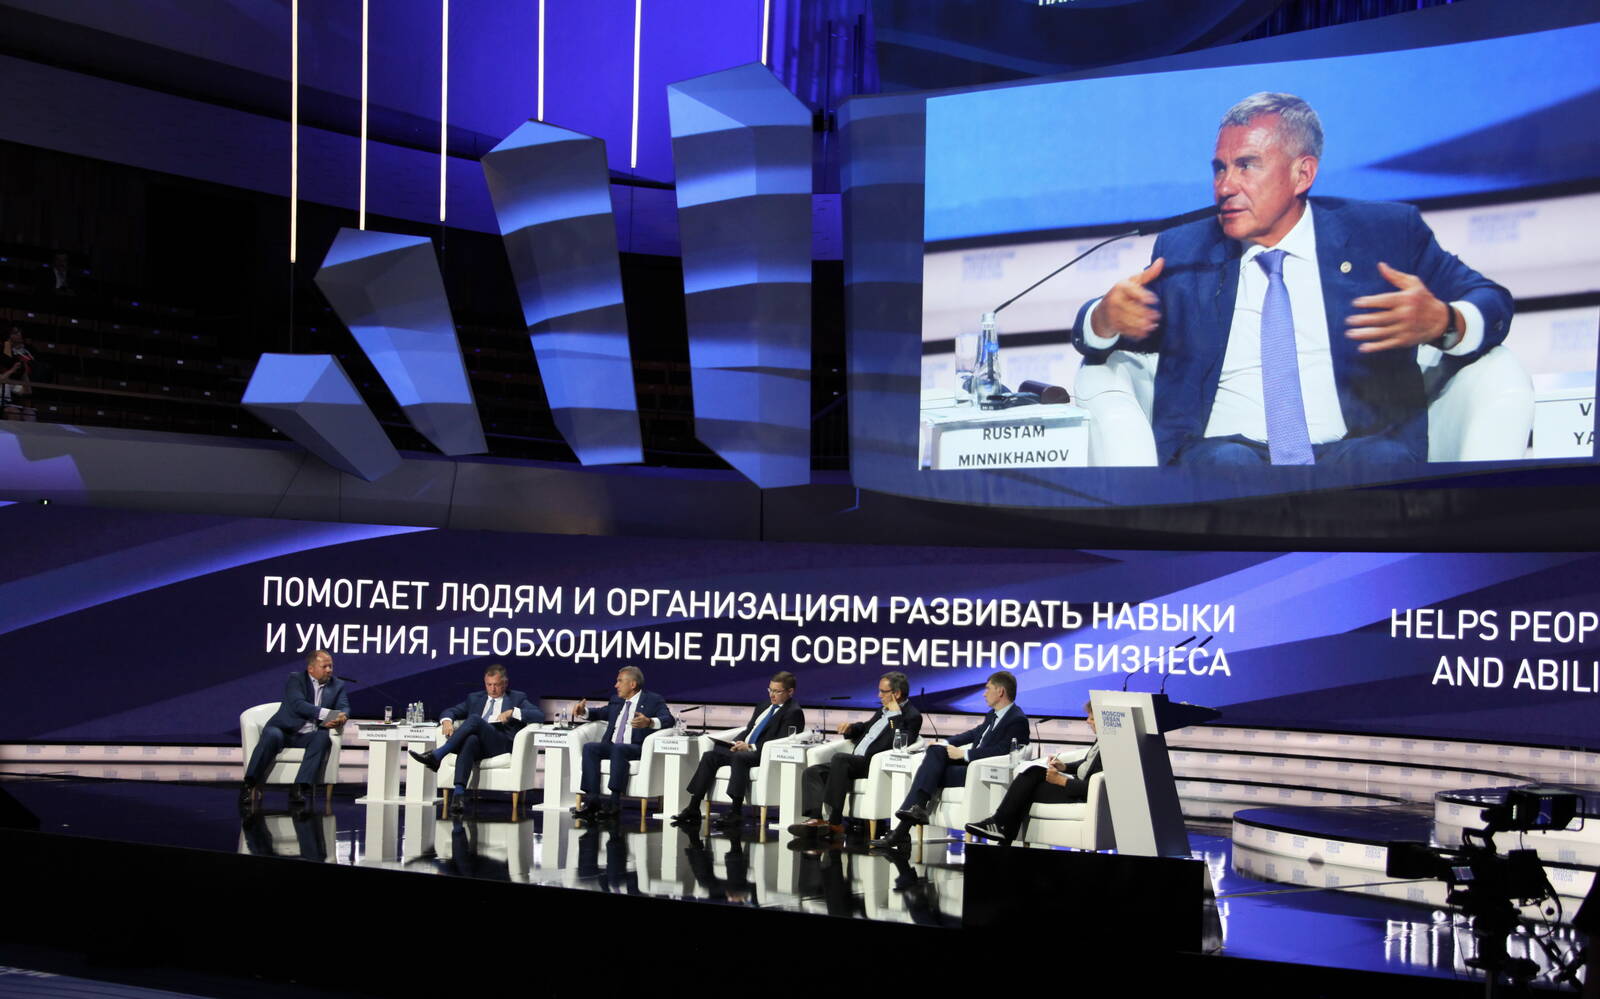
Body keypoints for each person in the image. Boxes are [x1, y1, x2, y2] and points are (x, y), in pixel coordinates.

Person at [1072, 91, 1513, 467]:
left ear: (1303, 173)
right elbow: (1119, 329)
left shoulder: (1384, 233)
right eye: (1220, 168)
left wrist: (1446, 323)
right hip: (1226, 457)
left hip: (1356, 452)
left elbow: (1490, 300)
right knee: (1227, 465)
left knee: (1382, 462)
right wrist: (1103, 319)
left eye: (1247, 166)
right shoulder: (1185, 248)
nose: (1225, 186)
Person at [870, 672, 1029, 851]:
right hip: (969, 766)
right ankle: (913, 813)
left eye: (988, 689)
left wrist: (964, 754)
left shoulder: (1017, 719)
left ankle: (904, 826)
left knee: (929, 773)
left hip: (981, 771)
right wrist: (945, 743)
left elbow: (1004, 751)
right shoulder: (993, 714)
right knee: (935, 751)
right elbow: (973, 734)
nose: (984, 694)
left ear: (1000, 691)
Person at [787, 671, 923, 842]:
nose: (879, 695)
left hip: (874, 764)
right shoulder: (882, 710)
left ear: (896, 693)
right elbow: (867, 728)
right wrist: (851, 728)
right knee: (812, 772)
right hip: (855, 761)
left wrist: (895, 716)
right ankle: (816, 820)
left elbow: (900, 742)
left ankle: (835, 822)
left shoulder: (912, 716)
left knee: (840, 759)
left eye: (883, 691)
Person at [671, 670, 806, 829]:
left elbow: (783, 741)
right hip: (745, 749)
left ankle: (736, 811)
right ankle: (693, 807)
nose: (772, 695)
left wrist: (750, 747)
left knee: (739, 757)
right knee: (710, 756)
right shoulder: (764, 705)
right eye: (770, 690)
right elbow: (749, 730)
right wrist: (735, 742)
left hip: (762, 754)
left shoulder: (793, 712)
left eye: (777, 691)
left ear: (790, 691)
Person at [409, 664, 544, 814]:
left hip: (500, 743)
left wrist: (513, 712)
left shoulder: (517, 698)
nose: (492, 689)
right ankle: (458, 796)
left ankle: (438, 754)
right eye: (489, 685)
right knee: (470, 740)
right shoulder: (475, 698)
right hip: (480, 745)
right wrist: (447, 721)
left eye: (496, 685)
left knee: (474, 719)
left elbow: (539, 715)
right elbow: (451, 711)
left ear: (505, 683)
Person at [965, 701, 1101, 845]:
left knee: (1028, 785)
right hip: (1074, 784)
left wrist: (1062, 780)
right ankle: (1003, 833)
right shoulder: (1100, 740)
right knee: (1032, 775)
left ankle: (1001, 827)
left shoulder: (1110, 749)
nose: (1087, 721)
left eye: (1092, 718)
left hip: (1080, 793)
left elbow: (1096, 786)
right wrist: (1064, 767)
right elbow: (1087, 764)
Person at [241, 650, 349, 814]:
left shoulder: (337, 685)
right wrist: (329, 714)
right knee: (271, 735)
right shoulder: (296, 679)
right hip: (283, 730)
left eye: (331, 666)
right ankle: (249, 784)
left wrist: (342, 717)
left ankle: (299, 788)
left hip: (307, 736)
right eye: (324, 666)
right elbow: (298, 705)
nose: (329, 670)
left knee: (322, 737)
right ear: (311, 668)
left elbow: (344, 707)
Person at [571, 666, 674, 819]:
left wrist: (649, 722)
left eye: (620, 681)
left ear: (632, 684)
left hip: (636, 746)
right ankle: (592, 801)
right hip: (612, 745)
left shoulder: (653, 700)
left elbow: (669, 719)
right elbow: (601, 713)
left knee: (618, 749)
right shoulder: (617, 700)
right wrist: (584, 712)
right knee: (589, 748)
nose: (616, 685)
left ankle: (614, 802)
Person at [1, 328, 35, 422]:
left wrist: (24, 374)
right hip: (2, 397)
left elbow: (28, 391)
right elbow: (2, 377)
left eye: (19, 333)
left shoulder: (12, 384)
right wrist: (12, 370)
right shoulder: (5, 350)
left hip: (11, 392)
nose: (19, 334)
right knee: (14, 412)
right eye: (15, 333)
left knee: (29, 413)